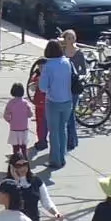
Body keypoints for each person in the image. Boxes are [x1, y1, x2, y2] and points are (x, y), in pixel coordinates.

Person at [37, 40, 76, 171]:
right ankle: (62, 157)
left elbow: (42, 87)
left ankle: (55, 160)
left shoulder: (48, 66)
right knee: (62, 129)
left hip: (53, 101)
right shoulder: (67, 62)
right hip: (67, 101)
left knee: (53, 132)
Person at [0, 152, 52, 221]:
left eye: (25, 164)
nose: (23, 168)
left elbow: (46, 201)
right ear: (12, 167)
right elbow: (12, 202)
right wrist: (16, 181)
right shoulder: (7, 184)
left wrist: (56, 213)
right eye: (18, 165)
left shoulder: (36, 180)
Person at [2, 82, 32, 161]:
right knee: (24, 147)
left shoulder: (11, 103)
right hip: (24, 128)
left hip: (14, 129)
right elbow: (30, 114)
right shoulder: (25, 103)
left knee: (15, 147)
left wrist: (10, 121)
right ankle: (25, 161)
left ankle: (16, 161)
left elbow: (5, 115)